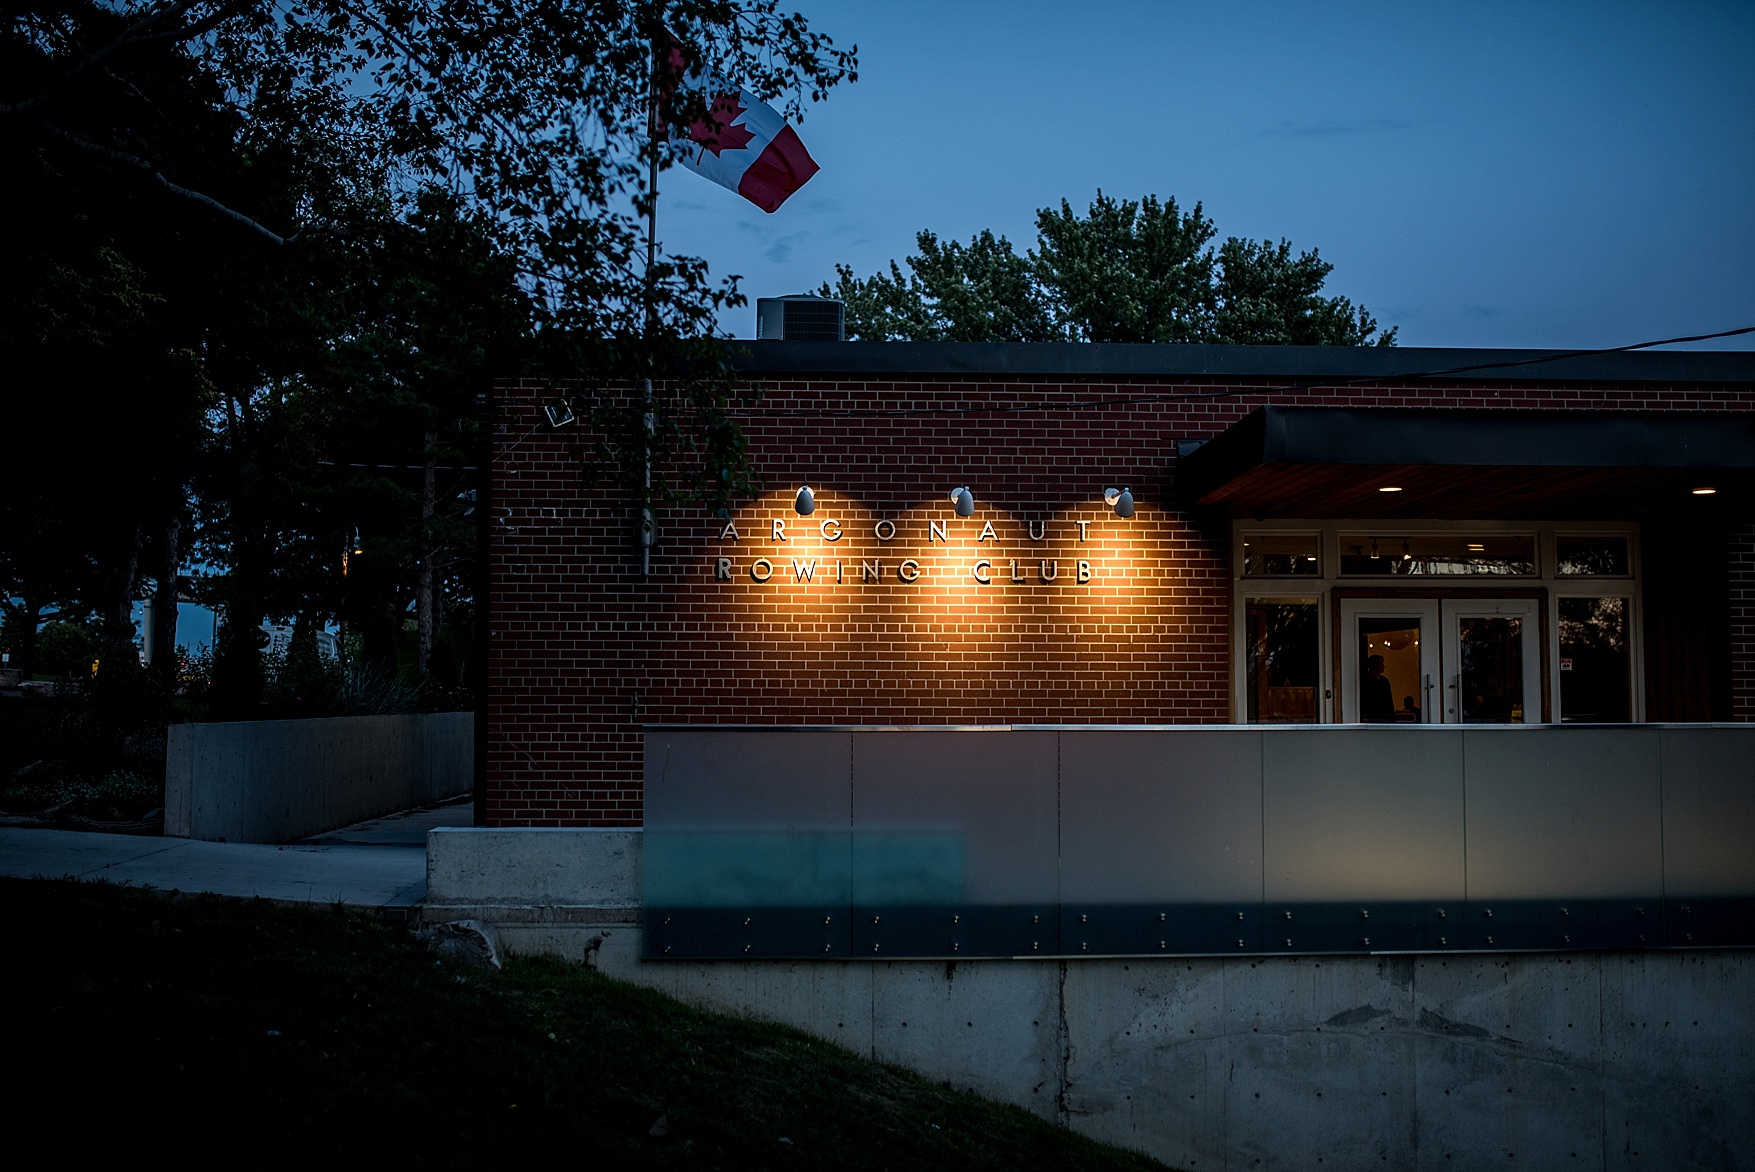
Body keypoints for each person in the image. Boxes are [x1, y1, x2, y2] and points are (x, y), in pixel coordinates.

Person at [1360, 654, 1395, 722]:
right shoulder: (1365, 680)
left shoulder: (1384, 681)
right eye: (1381, 664)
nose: (1383, 666)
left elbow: (1389, 700)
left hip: (1385, 716)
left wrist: (1391, 716)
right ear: (1374, 665)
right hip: (1371, 716)